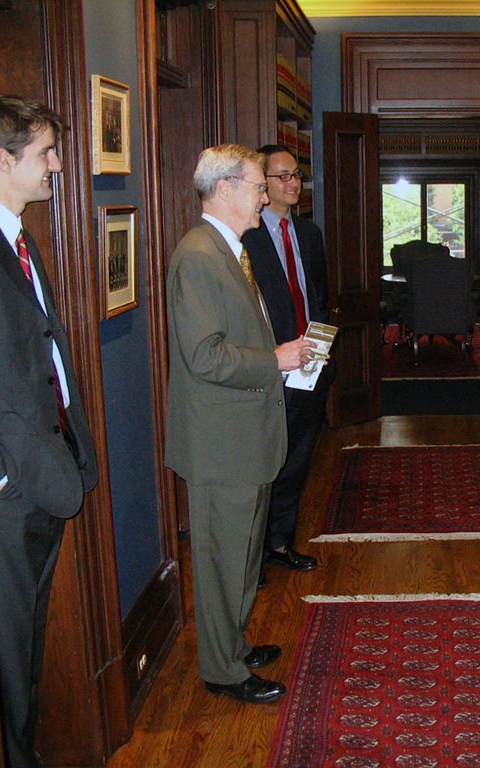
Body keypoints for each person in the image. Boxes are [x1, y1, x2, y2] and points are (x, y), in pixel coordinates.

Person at [0, 95, 98, 767]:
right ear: (0, 160)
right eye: (46, 153)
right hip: (7, 491)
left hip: (43, 470)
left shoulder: (14, 232)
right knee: (7, 662)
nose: (58, 166)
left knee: (29, 650)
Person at [165, 143, 317, 704]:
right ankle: (223, 669)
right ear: (225, 188)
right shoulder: (200, 255)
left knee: (244, 554)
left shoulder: (230, 248)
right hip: (220, 442)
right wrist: (275, 359)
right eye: (257, 186)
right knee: (221, 558)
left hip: (244, 436)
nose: (264, 197)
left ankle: (233, 643)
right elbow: (205, 356)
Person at [242, 144, 332, 584]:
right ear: (262, 185)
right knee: (263, 463)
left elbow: (317, 296)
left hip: (310, 364)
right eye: (282, 176)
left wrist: (320, 346)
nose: (293, 183)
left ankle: (280, 542)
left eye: (296, 174)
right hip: (269, 365)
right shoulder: (246, 238)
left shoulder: (309, 234)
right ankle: (254, 557)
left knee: (297, 458)